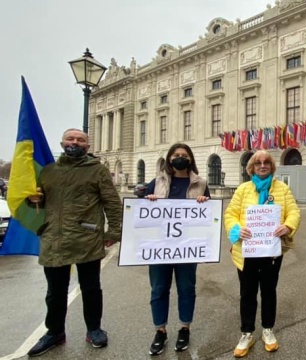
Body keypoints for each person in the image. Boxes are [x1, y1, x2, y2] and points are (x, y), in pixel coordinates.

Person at [26, 128, 122, 357]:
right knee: (54, 292)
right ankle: (55, 332)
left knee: (91, 289)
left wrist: (114, 232)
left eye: (81, 140)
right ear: (62, 143)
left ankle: (94, 329)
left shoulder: (97, 170)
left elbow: (112, 203)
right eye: (71, 139)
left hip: (86, 239)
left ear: (87, 147)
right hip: (54, 240)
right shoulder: (48, 172)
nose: (75, 143)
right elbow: (37, 205)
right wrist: (33, 200)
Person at [224, 150, 301, 358]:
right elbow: (230, 214)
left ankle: (268, 329)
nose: (262, 165)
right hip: (246, 252)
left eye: (266, 162)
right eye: (258, 163)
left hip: (271, 252)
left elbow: (294, 211)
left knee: (269, 292)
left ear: (272, 166)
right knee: (247, 293)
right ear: (252, 167)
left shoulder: (282, 189)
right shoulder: (243, 189)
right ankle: (247, 333)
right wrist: (236, 230)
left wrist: (288, 225)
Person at [144, 143, 211, 355]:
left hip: (186, 247)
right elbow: (140, 210)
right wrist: (150, 200)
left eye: (184, 155)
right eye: (176, 155)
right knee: (159, 289)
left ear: (190, 159)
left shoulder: (200, 183)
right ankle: (160, 330)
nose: (180, 158)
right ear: (169, 158)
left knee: (186, 288)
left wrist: (204, 202)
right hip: (160, 245)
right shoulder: (157, 181)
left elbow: (208, 214)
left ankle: (184, 328)